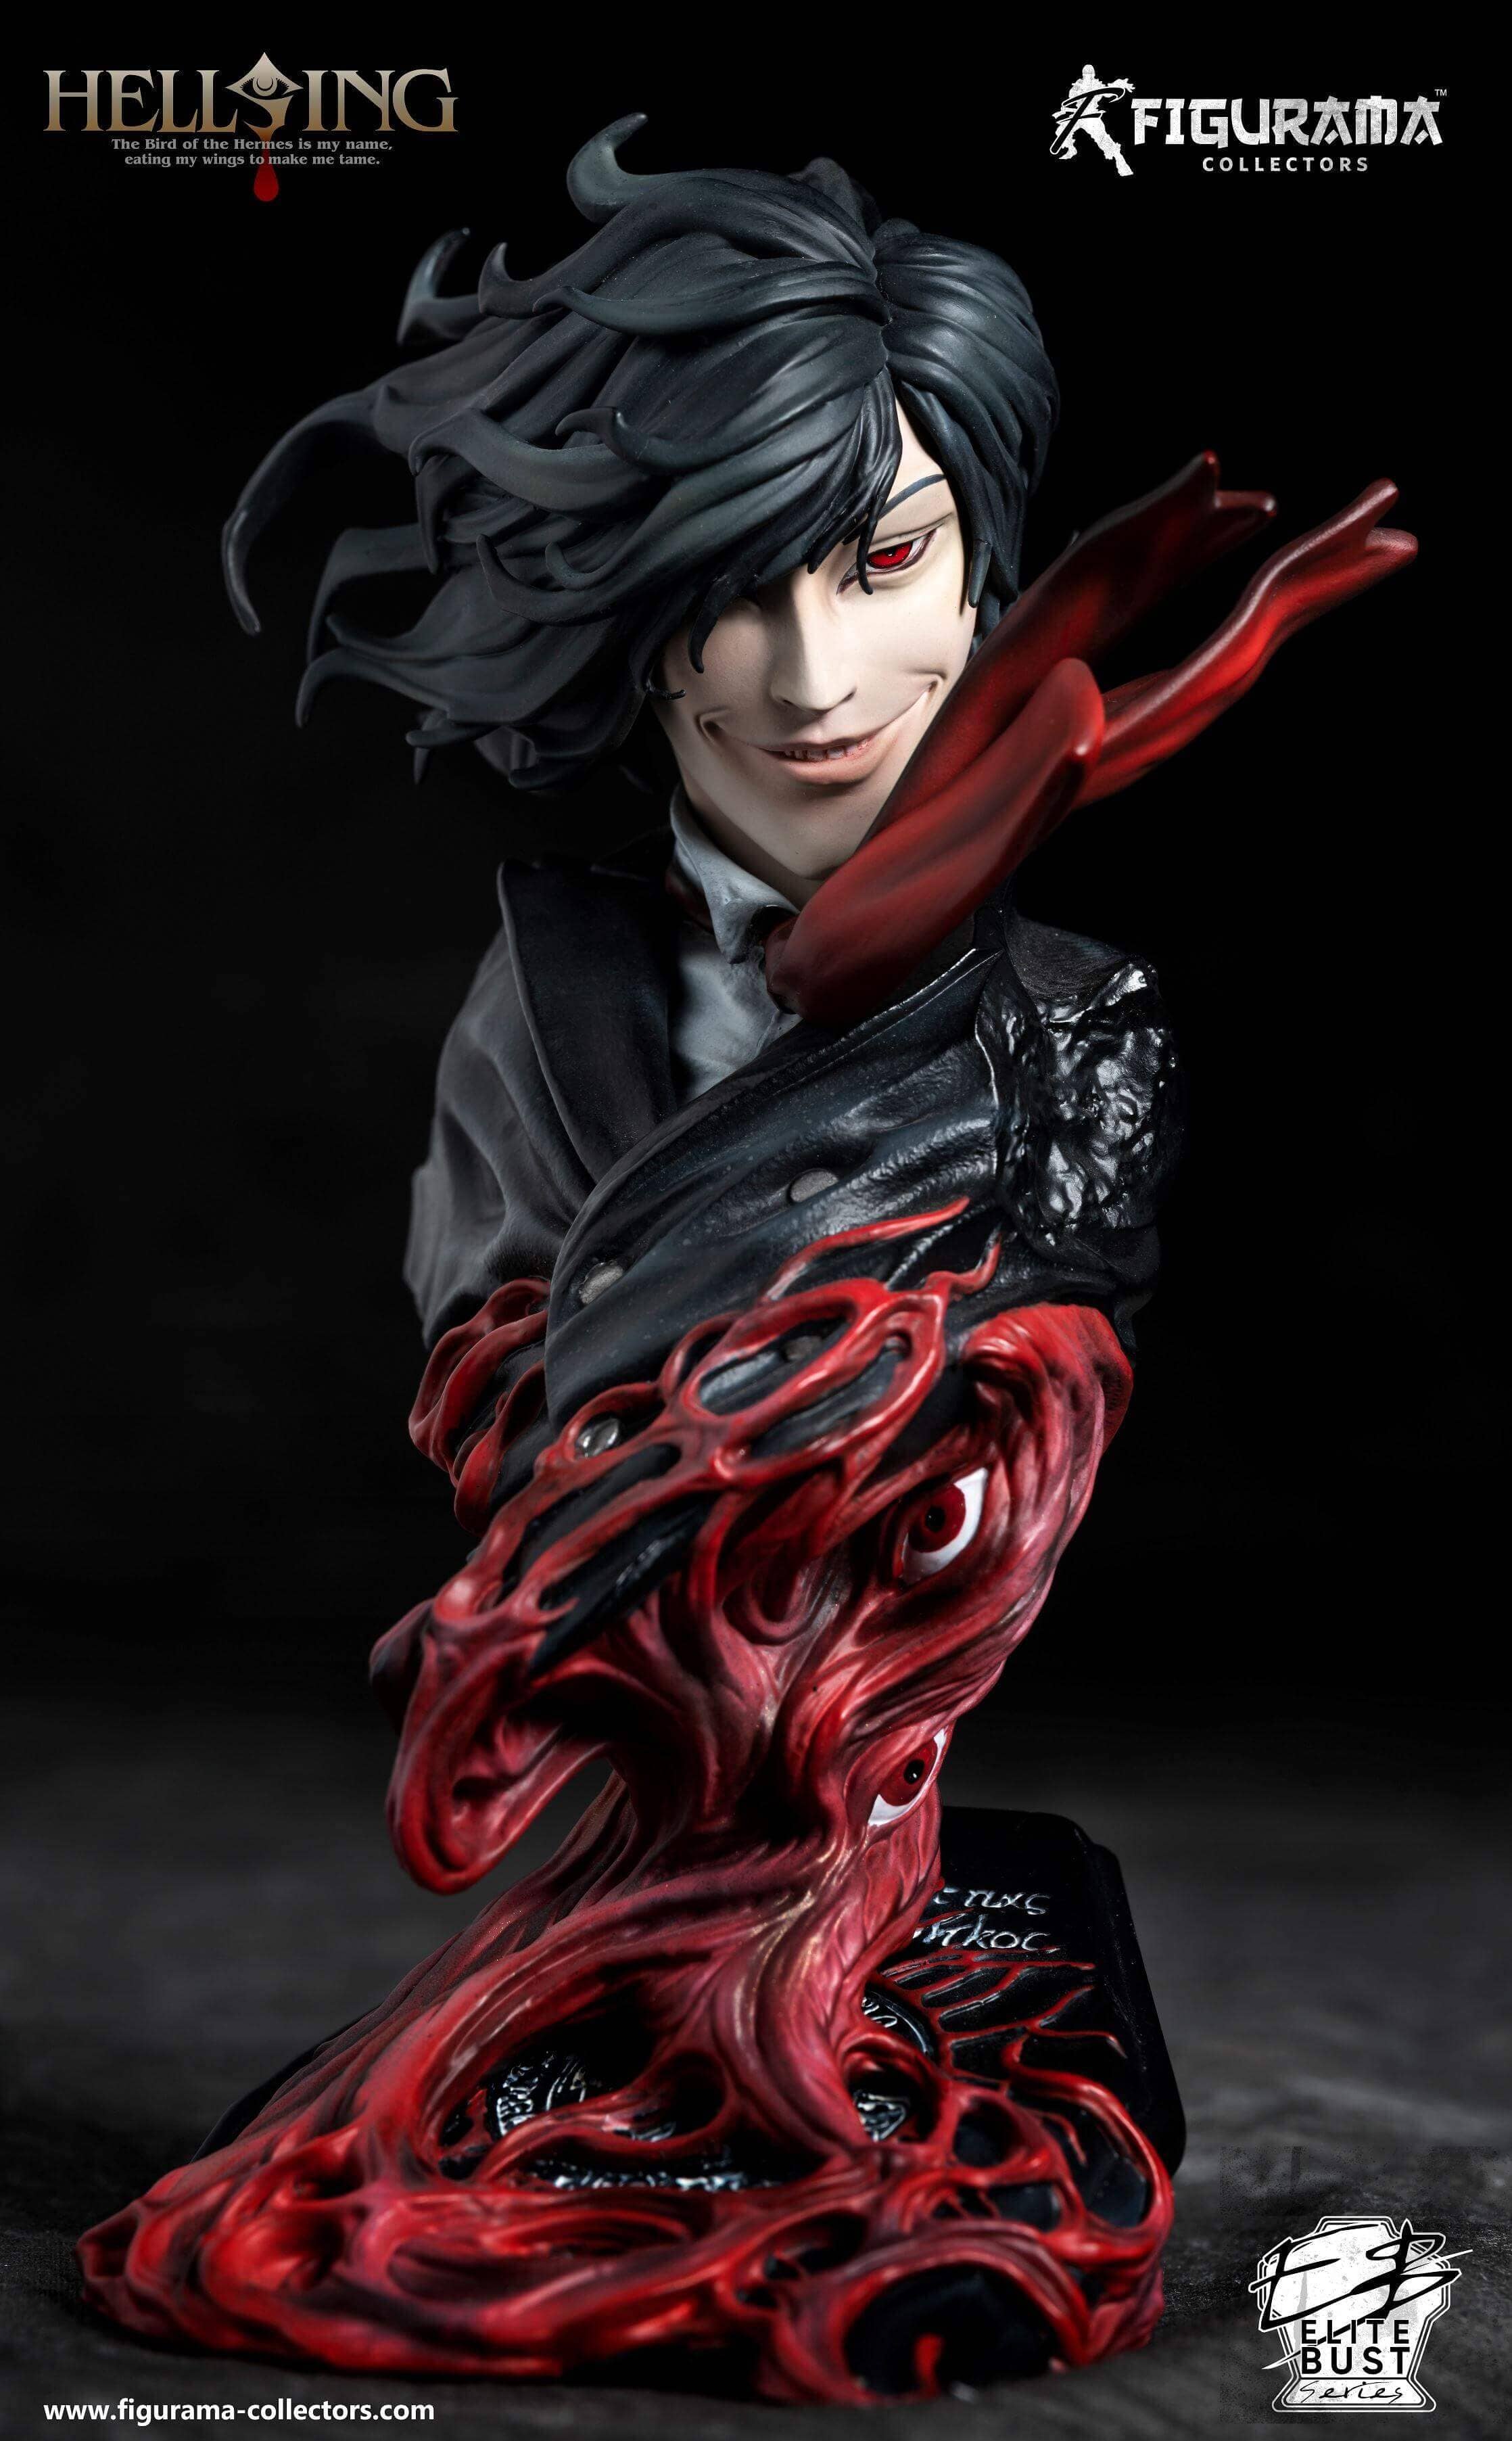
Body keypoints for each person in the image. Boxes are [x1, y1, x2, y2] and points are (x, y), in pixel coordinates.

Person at [78, 118, 1411, 2400]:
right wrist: (597, 1479)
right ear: (633, 612)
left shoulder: (1064, 1018)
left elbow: (1026, 1410)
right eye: (730, 583)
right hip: (614, 1708)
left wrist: (837, 1435)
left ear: (984, 572)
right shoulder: (552, 984)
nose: (812, 671)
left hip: (850, 1734)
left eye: (881, 559)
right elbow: (487, 1342)